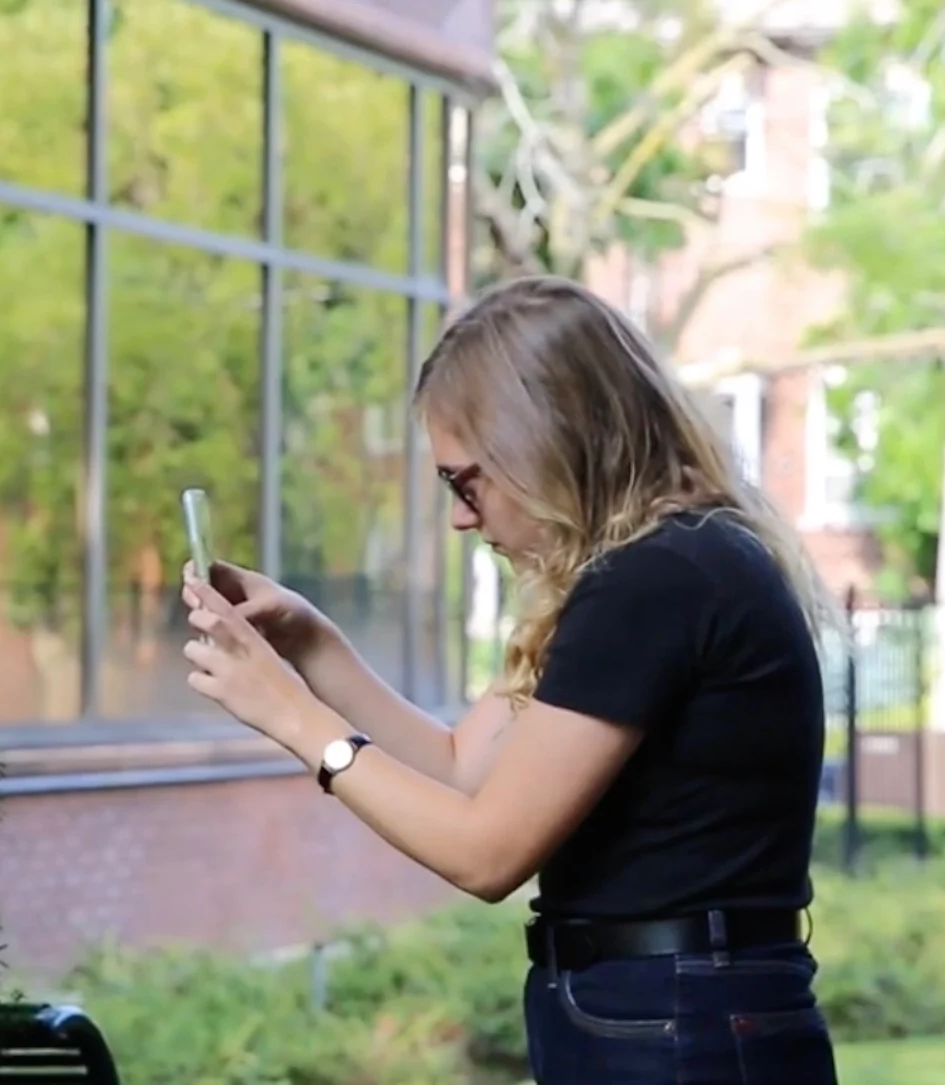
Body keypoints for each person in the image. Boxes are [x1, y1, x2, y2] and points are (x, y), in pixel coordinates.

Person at [179, 274, 842, 1085]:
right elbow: (465, 766)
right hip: (668, 1011)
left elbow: (487, 852)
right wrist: (311, 649)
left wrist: (292, 718)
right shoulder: (667, 565)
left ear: (548, 441)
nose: (462, 515)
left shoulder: (657, 580)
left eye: (469, 480)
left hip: (675, 1021)